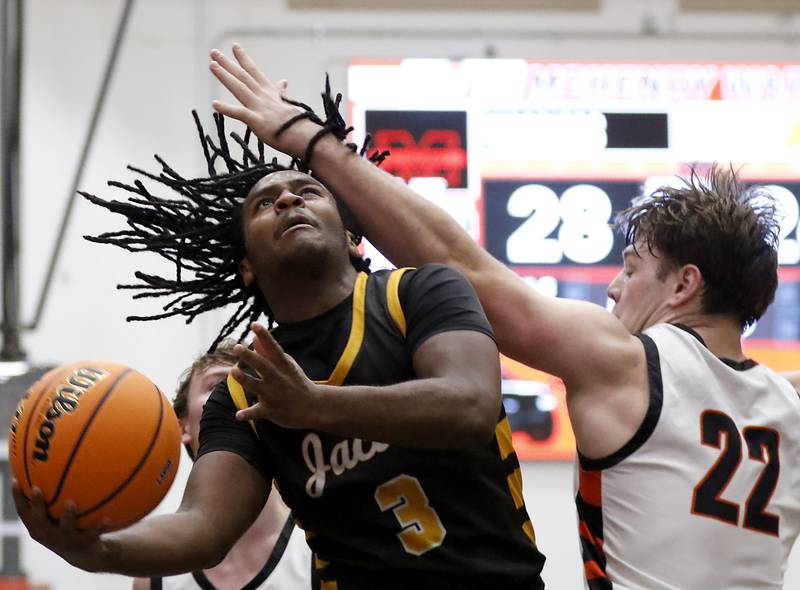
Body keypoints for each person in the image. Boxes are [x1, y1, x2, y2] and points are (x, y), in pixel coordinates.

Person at [206, 45, 800, 589]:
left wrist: (310, 139)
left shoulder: (627, 360)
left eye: (632, 268)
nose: (615, 290)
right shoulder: (788, 404)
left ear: (684, 284)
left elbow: (463, 266)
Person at [13, 97, 546, 588]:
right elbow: (204, 528)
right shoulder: (242, 396)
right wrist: (98, 551)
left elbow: (471, 404)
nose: (289, 197)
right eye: (264, 204)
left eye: (309, 192)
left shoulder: (420, 291)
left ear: (349, 236)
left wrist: (317, 406)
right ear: (247, 266)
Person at [132, 341, 313, 590]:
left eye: (247, 386)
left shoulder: (316, 544)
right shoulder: (155, 577)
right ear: (182, 426)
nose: (233, 398)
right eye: (217, 385)